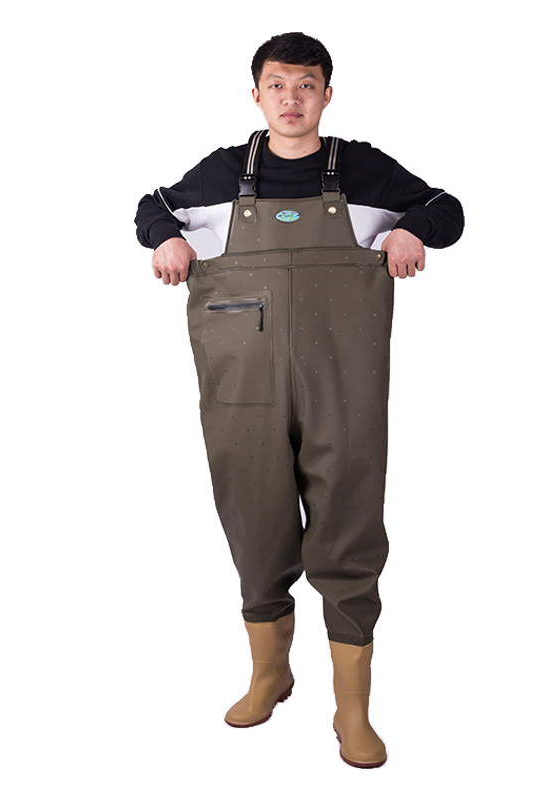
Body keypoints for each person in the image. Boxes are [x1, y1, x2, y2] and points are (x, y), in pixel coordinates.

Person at [134, 32, 464, 769]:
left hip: (344, 387)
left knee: (349, 530)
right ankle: (270, 675)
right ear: (256, 95)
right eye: (278, 85)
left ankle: (352, 709)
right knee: (255, 524)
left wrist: (413, 228)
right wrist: (165, 239)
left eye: (306, 85)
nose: (291, 98)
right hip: (240, 391)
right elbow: (150, 207)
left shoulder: (363, 169)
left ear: (327, 94)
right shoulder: (225, 173)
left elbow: (448, 207)